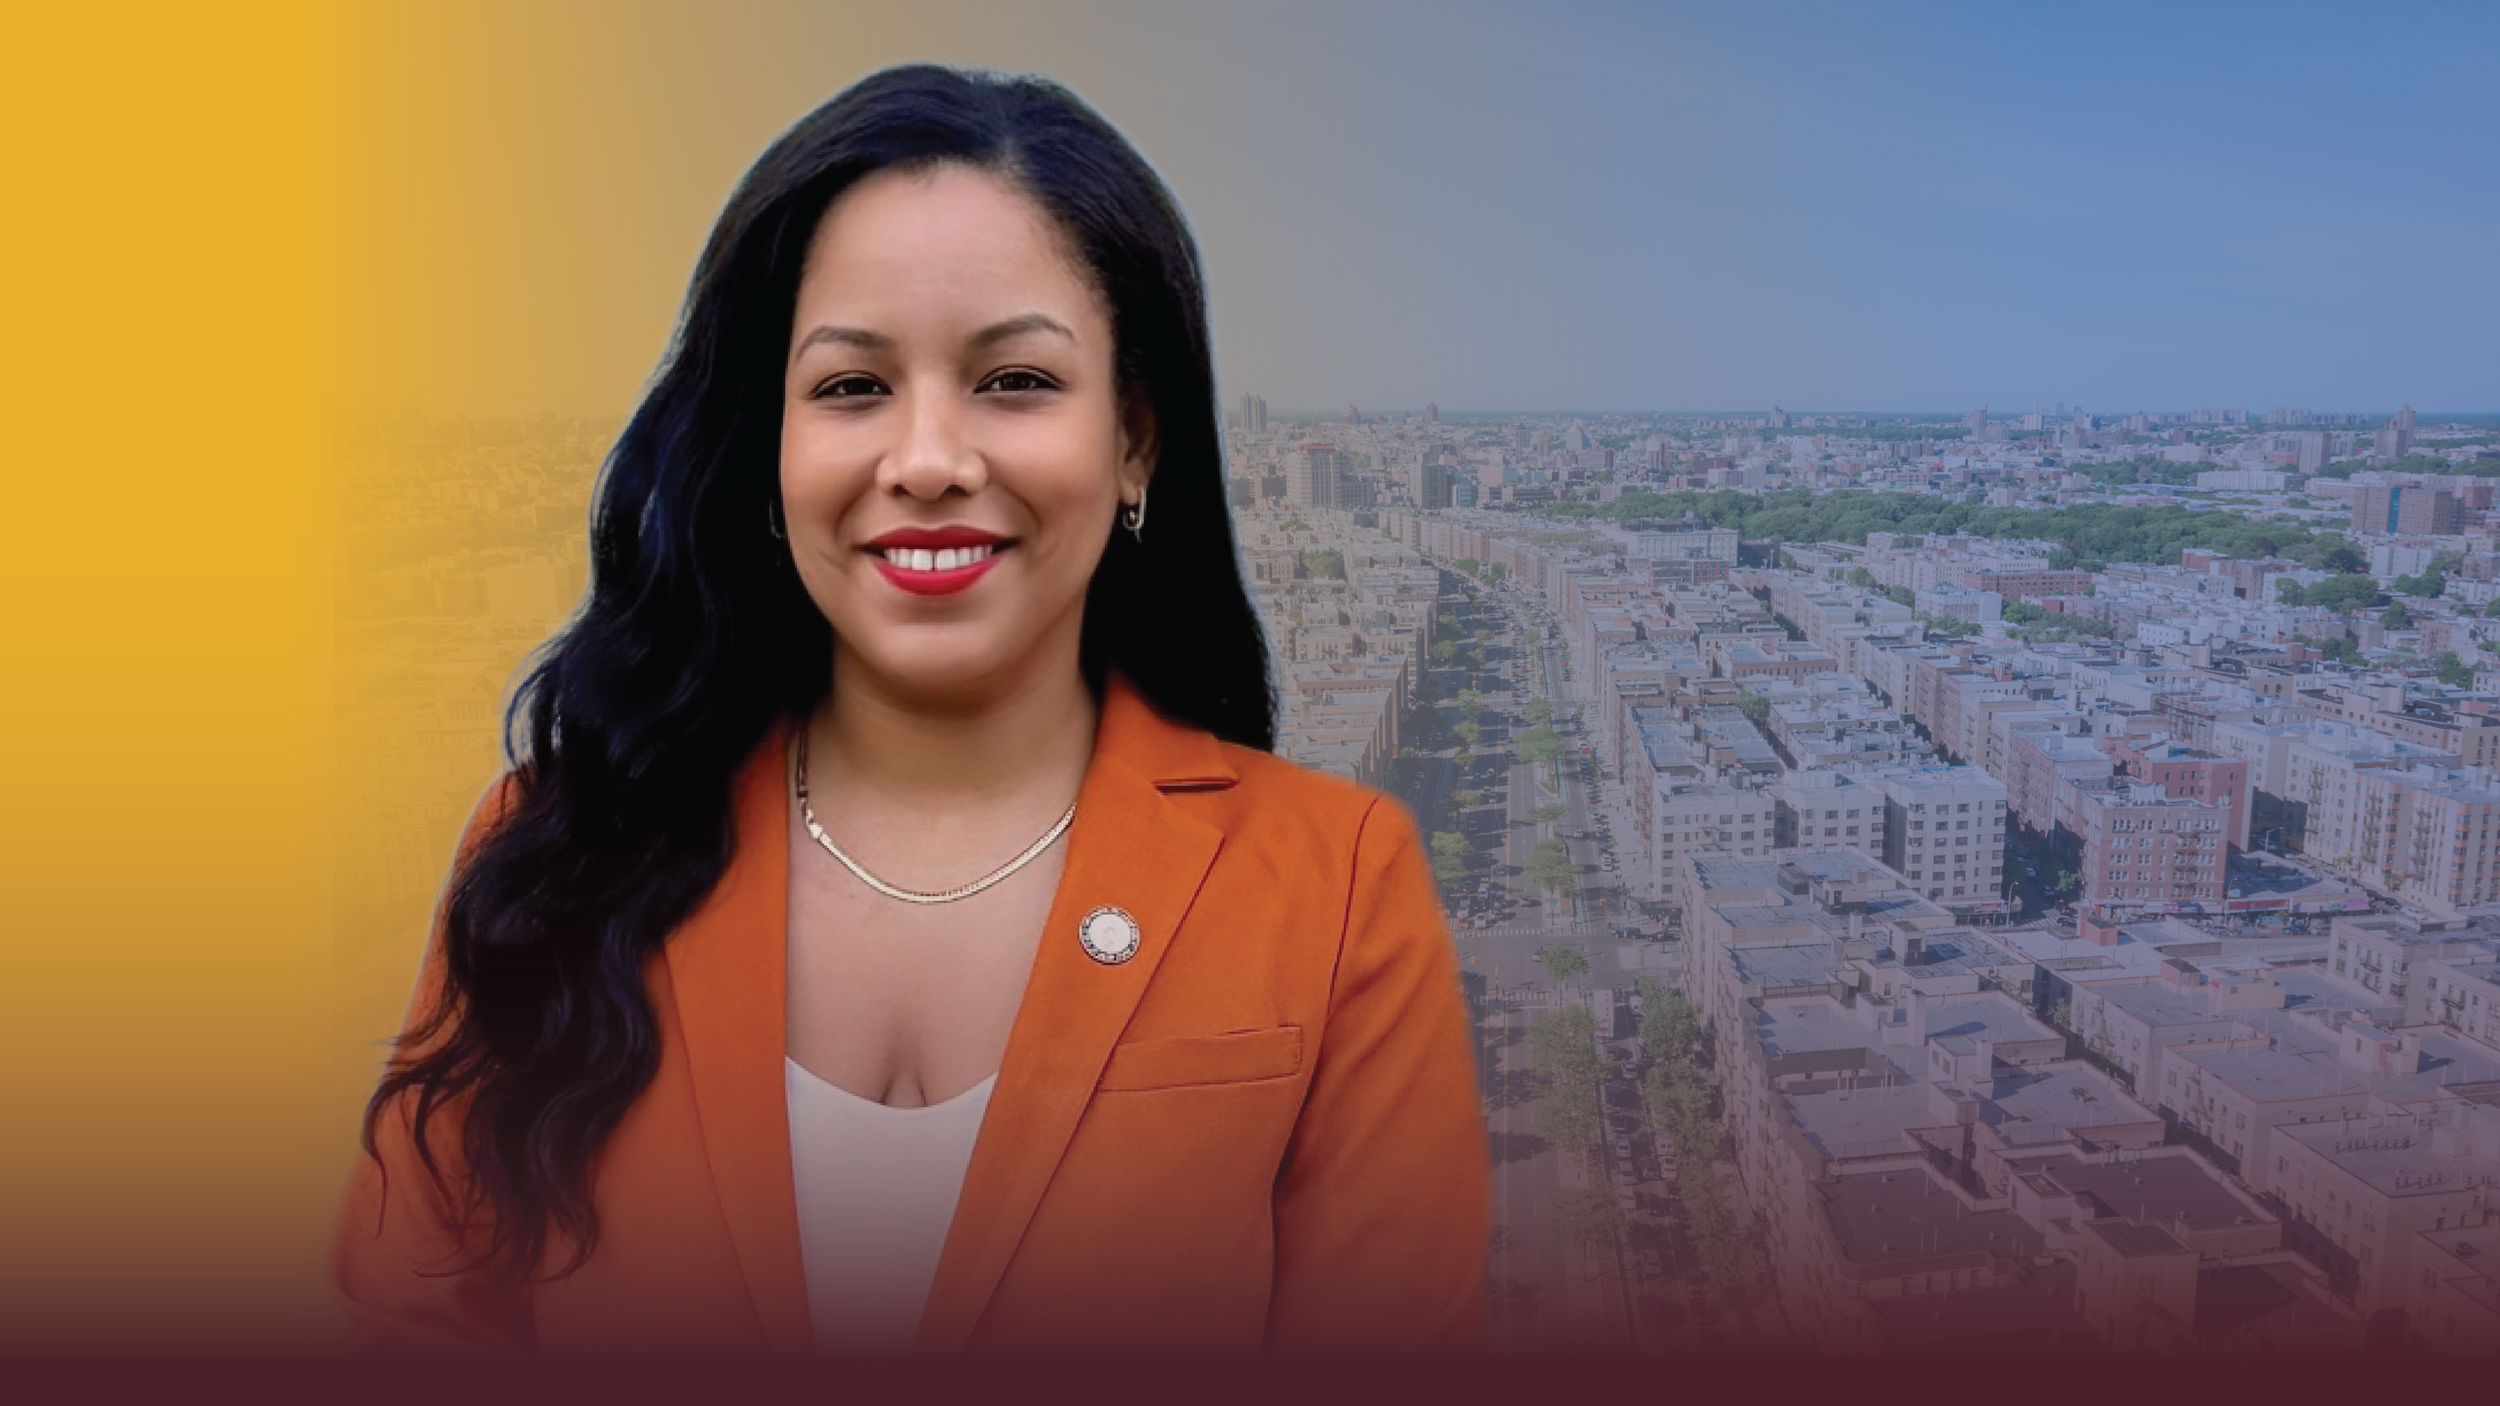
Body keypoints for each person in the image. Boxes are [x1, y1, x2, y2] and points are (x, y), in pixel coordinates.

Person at [334, 64, 1488, 1357]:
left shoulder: (1333, 888)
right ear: (764, 447)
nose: (929, 460)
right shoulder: (560, 850)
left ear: (1134, 440)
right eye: (850, 387)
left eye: (1016, 380)